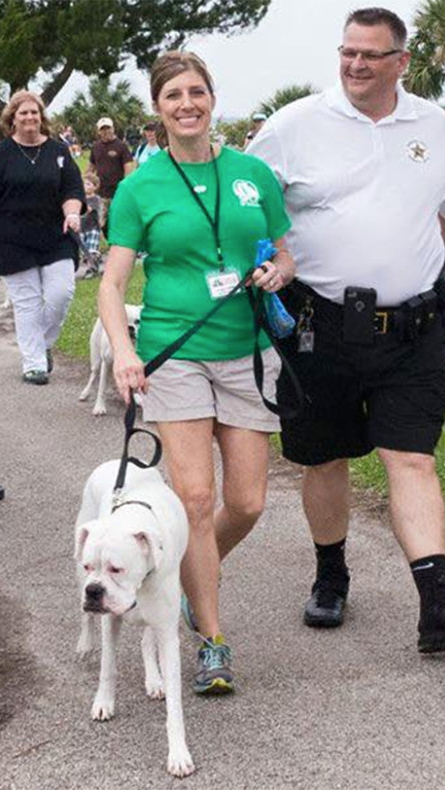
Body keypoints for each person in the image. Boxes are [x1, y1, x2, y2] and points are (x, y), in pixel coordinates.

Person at [248, 7, 445, 654]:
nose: (356, 64)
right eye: (348, 52)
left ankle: (437, 608)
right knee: (325, 457)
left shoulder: (435, 125)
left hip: (414, 326)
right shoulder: (292, 127)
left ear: (402, 62)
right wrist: (259, 263)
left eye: (371, 55)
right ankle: (330, 574)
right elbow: (247, 206)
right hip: (319, 327)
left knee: (412, 457)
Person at [98, 50, 295, 694]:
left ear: (212, 97)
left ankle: (184, 570)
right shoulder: (140, 187)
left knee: (246, 501)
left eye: (197, 92)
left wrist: (278, 271)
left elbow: (283, 252)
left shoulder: (252, 174)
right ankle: (212, 641)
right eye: (173, 96)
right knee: (194, 497)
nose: (188, 104)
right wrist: (125, 351)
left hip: (247, 348)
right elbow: (113, 281)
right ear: (156, 109)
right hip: (173, 352)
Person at [0, 90, 85, 384]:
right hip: (11, 239)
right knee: (27, 302)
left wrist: (72, 213)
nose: (29, 117)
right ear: (12, 119)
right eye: (23, 113)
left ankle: (44, 344)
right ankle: (34, 363)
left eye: (34, 112)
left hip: (55, 236)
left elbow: (73, 189)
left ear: (42, 117)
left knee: (60, 295)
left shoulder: (58, 151)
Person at [87, 117, 135, 234]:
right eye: (102, 129)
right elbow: (90, 168)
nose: (106, 131)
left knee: (117, 220)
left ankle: (116, 245)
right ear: (98, 131)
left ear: (113, 129)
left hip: (117, 192)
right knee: (100, 222)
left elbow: (128, 169)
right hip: (101, 193)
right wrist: (85, 183)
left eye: (108, 128)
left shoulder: (121, 146)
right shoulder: (96, 146)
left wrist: (125, 189)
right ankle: (109, 243)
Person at [78, 173, 103, 278]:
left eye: (88, 184)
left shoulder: (95, 199)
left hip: (92, 229)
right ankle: (95, 264)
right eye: (83, 184)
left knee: (91, 249)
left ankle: (91, 269)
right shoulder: (80, 198)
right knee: (84, 250)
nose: (85, 186)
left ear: (95, 186)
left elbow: (89, 209)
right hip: (81, 229)